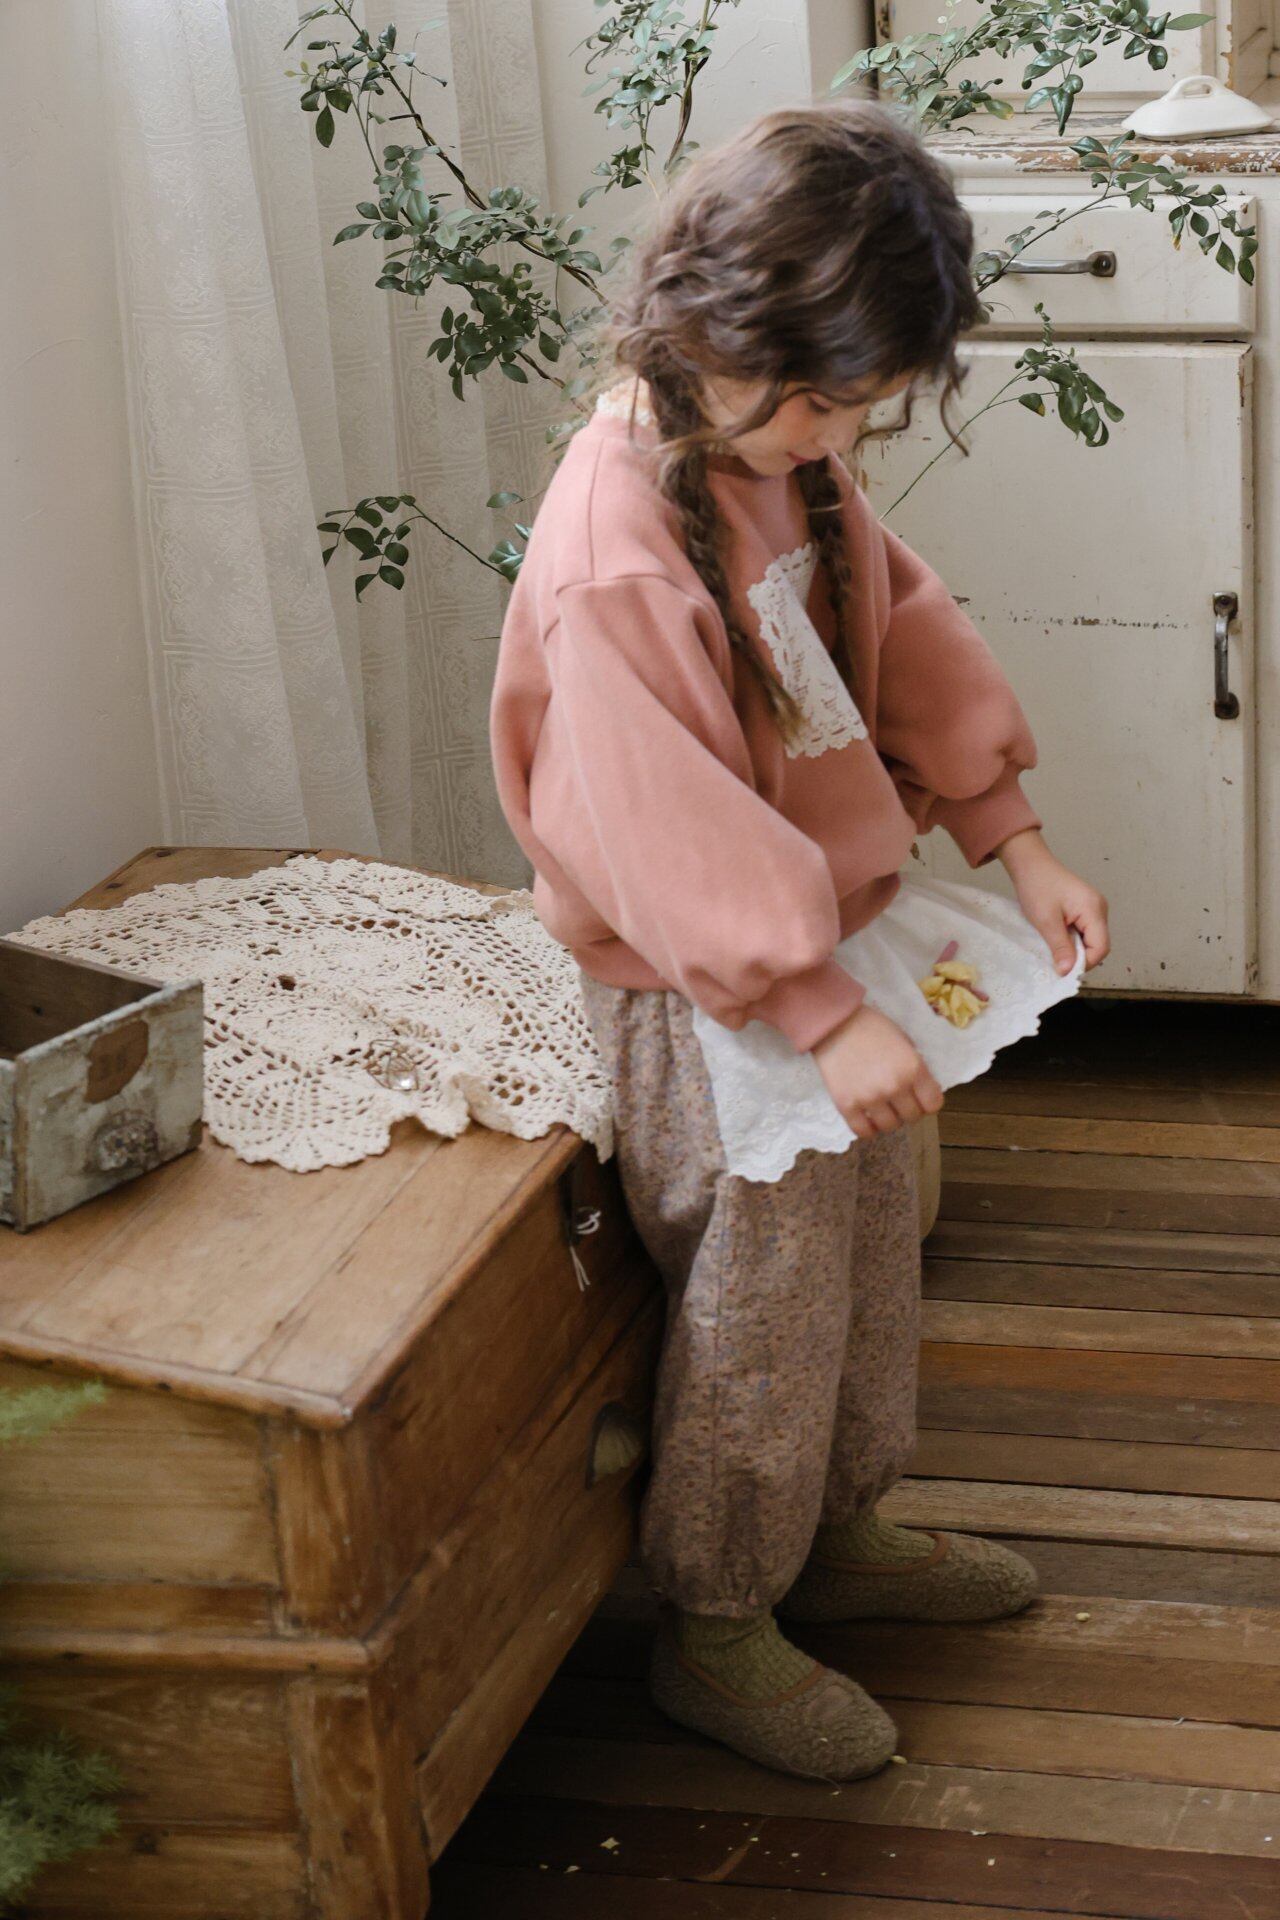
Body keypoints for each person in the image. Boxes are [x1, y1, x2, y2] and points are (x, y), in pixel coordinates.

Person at [489, 97, 1110, 1783]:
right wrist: (818, 1011)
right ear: (718, 326)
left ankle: (837, 1529)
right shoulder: (617, 551)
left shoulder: (780, 454)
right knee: (764, 1302)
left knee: (870, 1251)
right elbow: (659, 827)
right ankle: (719, 1616)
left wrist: (1010, 834)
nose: (845, 434)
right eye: (830, 400)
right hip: (711, 991)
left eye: (865, 405)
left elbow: (902, 622)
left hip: (825, 953)